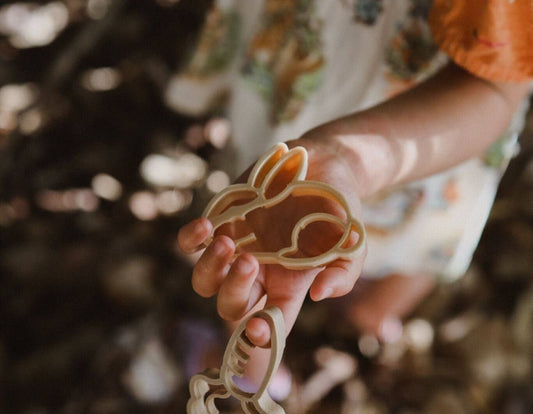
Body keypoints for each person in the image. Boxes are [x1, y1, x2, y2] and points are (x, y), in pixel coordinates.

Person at [176, 0, 532, 383]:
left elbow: (493, 85)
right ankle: (367, 318)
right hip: (324, 61)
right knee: (266, 230)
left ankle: (346, 326)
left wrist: (346, 158)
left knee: (281, 225)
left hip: (436, 122)